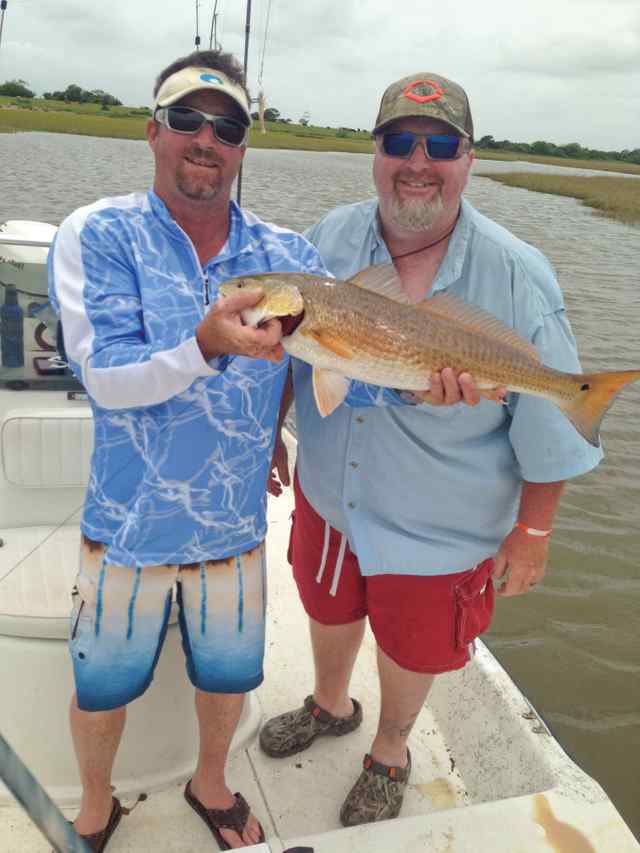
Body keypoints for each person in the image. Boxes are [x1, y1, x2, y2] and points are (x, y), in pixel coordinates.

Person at [260, 73, 603, 827]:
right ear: (376, 153)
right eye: (400, 142)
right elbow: (295, 354)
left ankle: (390, 749)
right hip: (329, 493)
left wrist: (533, 531)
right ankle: (329, 703)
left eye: (440, 145)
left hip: (437, 524)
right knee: (326, 602)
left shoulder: (517, 271)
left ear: (468, 159)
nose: (418, 161)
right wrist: (270, 438)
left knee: (414, 642)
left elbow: (549, 426)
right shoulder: (328, 238)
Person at [48, 49, 327, 851]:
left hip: (233, 523)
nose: (207, 138)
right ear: (153, 131)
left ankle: (211, 781)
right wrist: (203, 346)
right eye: (187, 119)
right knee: (101, 685)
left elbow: (318, 360)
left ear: (243, 147)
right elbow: (106, 377)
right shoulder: (99, 233)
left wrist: (420, 384)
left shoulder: (290, 255)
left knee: (228, 675)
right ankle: (95, 805)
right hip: (127, 524)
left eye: (228, 126)